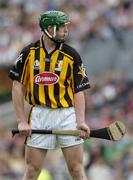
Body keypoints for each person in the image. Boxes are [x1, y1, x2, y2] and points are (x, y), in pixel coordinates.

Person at [9, 10, 91, 180]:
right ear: (49, 29)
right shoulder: (28, 53)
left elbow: (79, 90)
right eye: (61, 27)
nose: (66, 30)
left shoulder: (71, 55)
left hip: (66, 114)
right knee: (32, 170)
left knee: (76, 169)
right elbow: (17, 86)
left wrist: (81, 121)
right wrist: (21, 121)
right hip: (40, 114)